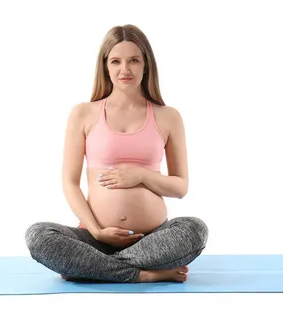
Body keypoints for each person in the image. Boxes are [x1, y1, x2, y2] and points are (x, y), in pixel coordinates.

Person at [25, 24, 208, 283]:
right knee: (38, 235)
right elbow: (69, 182)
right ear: (105, 66)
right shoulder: (83, 113)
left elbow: (180, 187)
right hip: (94, 238)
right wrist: (98, 232)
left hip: (152, 240)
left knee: (195, 229)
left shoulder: (168, 117)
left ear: (146, 65)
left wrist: (141, 175)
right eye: (116, 61)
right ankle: (141, 275)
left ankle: (91, 269)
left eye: (133, 60)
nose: (125, 69)